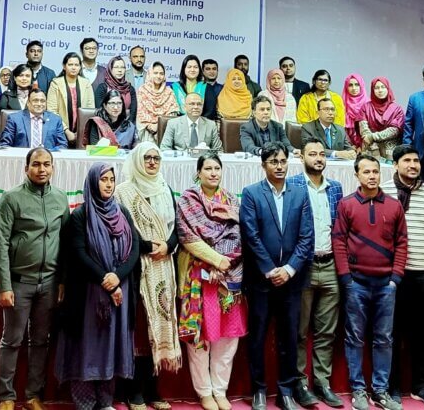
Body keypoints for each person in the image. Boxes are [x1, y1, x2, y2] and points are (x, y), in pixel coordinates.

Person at [56, 162, 141, 410]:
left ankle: (105, 401)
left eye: (111, 180)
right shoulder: (81, 215)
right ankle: (85, 402)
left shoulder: (122, 212)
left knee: (112, 347)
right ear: (93, 182)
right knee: (89, 347)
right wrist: (107, 280)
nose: (108, 184)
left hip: (119, 290)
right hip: (90, 294)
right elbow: (79, 253)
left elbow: (134, 247)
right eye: (103, 179)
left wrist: (118, 276)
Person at [240, 142, 314, 410]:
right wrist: (271, 269)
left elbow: (307, 237)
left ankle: (285, 391)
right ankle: (258, 389)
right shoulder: (251, 194)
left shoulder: (300, 193)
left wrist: (289, 269)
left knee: (289, 337)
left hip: (292, 281)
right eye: (274, 162)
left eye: (283, 161)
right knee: (258, 336)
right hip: (262, 280)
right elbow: (251, 236)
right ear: (264, 165)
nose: (280, 166)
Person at [0, 147, 69, 410]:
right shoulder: (11, 198)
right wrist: (4, 285)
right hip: (19, 281)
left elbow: (65, 243)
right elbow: (1, 244)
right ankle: (6, 395)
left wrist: (61, 280)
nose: (42, 169)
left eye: (47, 164)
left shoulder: (60, 198)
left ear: (52, 167)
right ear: (26, 168)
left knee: (40, 340)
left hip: (49, 282)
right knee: (12, 340)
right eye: (36, 164)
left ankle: (33, 395)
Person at [333, 155, 408, 410]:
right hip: (356, 283)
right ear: (357, 175)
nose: (372, 175)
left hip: (386, 284)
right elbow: (339, 242)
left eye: (375, 171)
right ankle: (358, 390)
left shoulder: (394, 206)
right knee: (354, 337)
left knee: (384, 338)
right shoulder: (346, 205)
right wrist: (346, 278)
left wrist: (396, 278)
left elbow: (401, 243)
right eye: (366, 171)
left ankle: (380, 391)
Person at [380, 145, 424, 408]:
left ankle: (421, 385)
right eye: (407, 160)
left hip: (423, 274)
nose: (413, 165)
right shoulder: (383, 191)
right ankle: (393, 385)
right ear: (395, 165)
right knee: (392, 333)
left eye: (416, 161)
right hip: (392, 277)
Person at [176, 154, 246, 410]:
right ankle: (204, 391)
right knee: (201, 336)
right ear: (198, 172)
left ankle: (220, 389)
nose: (213, 173)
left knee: (227, 338)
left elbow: (239, 235)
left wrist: (225, 263)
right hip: (198, 275)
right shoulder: (188, 200)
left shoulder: (230, 200)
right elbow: (187, 237)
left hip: (228, 279)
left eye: (217, 168)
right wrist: (216, 260)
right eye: (208, 168)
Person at [115, 143, 181, 410]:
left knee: (161, 325)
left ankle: (154, 390)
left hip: (164, 267)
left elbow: (176, 227)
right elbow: (122, 231)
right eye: (147, 158)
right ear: (137, 160)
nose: (152, 162)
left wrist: (168, 245)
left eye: (156, 157)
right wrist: (147, 247)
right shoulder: (124, 192)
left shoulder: (165, 189)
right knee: (141, 330)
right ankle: (134, 392)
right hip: (137, 267)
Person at [288, 139, 344, 408]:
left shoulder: (336, 188)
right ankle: (299, 383)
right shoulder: (294, 185)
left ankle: (322, 382)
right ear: (302, 158)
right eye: (313, 154)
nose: (319, 158)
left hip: (331, 264)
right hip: (304, 266)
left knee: (326, 331)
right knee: (300, 330)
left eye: (322, 154)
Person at [47, 52, 95, 147]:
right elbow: (51, 111)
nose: (74, 67)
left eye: (76, 65)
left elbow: (90, 110)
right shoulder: (55, 83)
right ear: (64, 66)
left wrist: (80, 132)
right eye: (70, 64)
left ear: (80, 67)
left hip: (83, 133)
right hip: (59, 132)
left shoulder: (86, 84)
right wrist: (67, 131)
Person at [357, 77, 404, 160]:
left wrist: (373, 137)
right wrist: (370, 140)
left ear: (388, 89)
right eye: (377, 88)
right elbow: (363, 129)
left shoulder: (397, 109)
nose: (380, 90)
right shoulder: (365, 107)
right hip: (371, 148)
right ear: (372, 90)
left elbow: (394, 130)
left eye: (383, 87)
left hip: (390, 151)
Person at [0, 90, 65, 149]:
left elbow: (62, 145)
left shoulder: (55, 120)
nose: (39, 104)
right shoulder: (14, 119)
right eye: (35, 100)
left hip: (47, 160)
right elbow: (5, 145)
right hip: (22, 159)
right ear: (28, 103)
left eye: (42, 101)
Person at [136, 62, 178, 143]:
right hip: (147, 132)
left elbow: (173, 114)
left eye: (161, 74)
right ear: (150, 74)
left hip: (165, 132)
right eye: (155, 73)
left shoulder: (169, 92)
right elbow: (139, 113)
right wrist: (149, 126)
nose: (158, 76)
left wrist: (159, 125)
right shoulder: (142, 91)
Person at [94, 56, 138, 124]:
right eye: (116, 67)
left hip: (125, 127)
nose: (120, 70)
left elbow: (133, 113)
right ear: (110, 69)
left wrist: (126, 128)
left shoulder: (130, 89)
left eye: (122, 67)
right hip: (106, 126)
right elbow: (100, 111)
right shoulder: (103, 88)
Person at [172, 55, 215, 119]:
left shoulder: (207, 87)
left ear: (199, 70)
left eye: (195, 67)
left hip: (201, 125)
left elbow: (210, 112)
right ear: (184, 69)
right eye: (189, 67)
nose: (192, 70)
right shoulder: (174, 88)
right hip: (179, 125)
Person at [341, 73, 370, 150]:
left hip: (367, 146)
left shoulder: (369, 105)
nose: (354, 88)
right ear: (346, 87)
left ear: (361, 86)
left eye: (357, 84)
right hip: (347, 147)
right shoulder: (341, 105)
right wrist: (350, 146)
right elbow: (340, 129)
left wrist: (362, 146)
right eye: (350, 85)